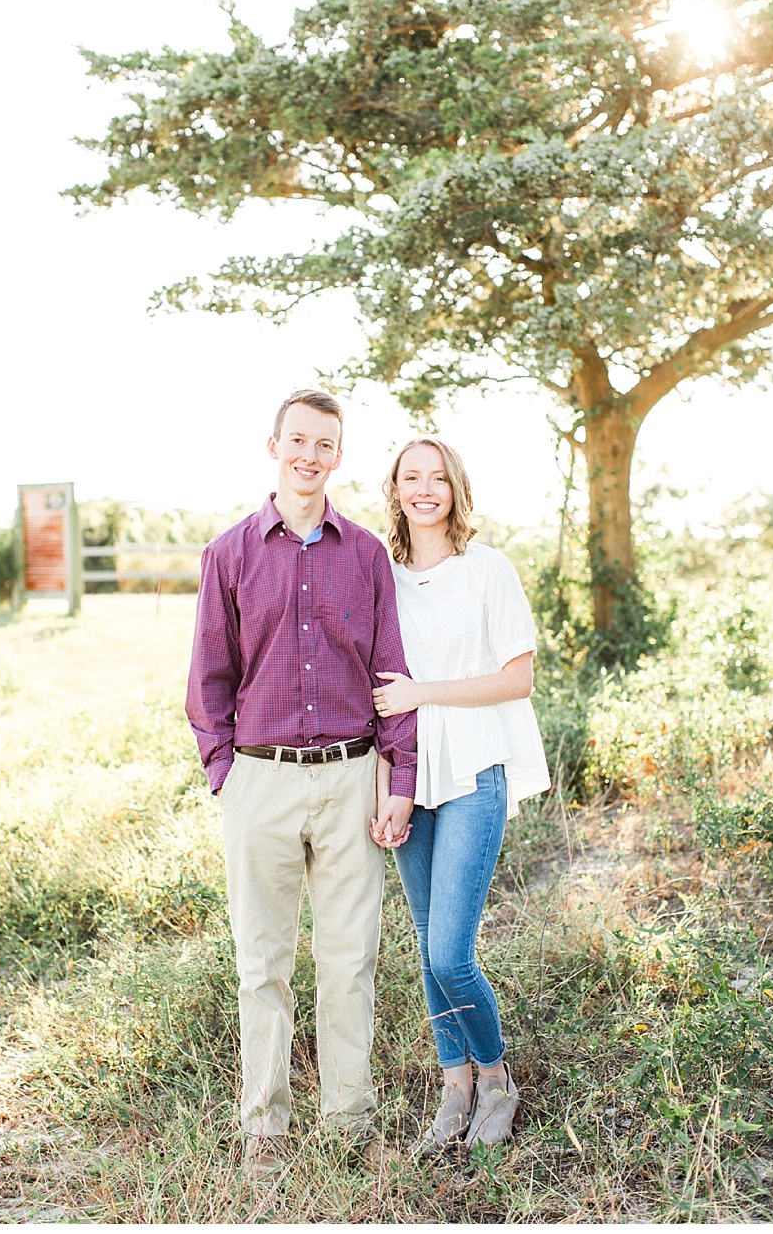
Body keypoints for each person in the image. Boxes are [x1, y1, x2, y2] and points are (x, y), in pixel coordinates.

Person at [186, 388, 418, 1173]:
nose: (309, 456)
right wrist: (226, 774)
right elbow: (209, 678)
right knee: (264, 962)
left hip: (354, 776)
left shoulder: (366, 556)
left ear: (339, 455)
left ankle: (347, 1120)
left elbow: (392, 670)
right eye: (298, 441)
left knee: (350, 958)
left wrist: (399, 777)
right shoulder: (230, 553)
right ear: (274, 447)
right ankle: (266, 1127)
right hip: (261, 781)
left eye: (326, 443)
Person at [368, 435, 552, 1156]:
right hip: (410, 782)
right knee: (422, 943)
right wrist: (387, 790)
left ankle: (496, 1074)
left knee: (450, 952)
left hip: (475, 769)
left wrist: (427, 692)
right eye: (411, 477)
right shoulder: (381, 576)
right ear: (395, 490)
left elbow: (518, 677)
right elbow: (377, 698)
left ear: (455, 489)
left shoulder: (488, 570)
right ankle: (456, 1086)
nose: (424, 489)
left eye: (437, 478)